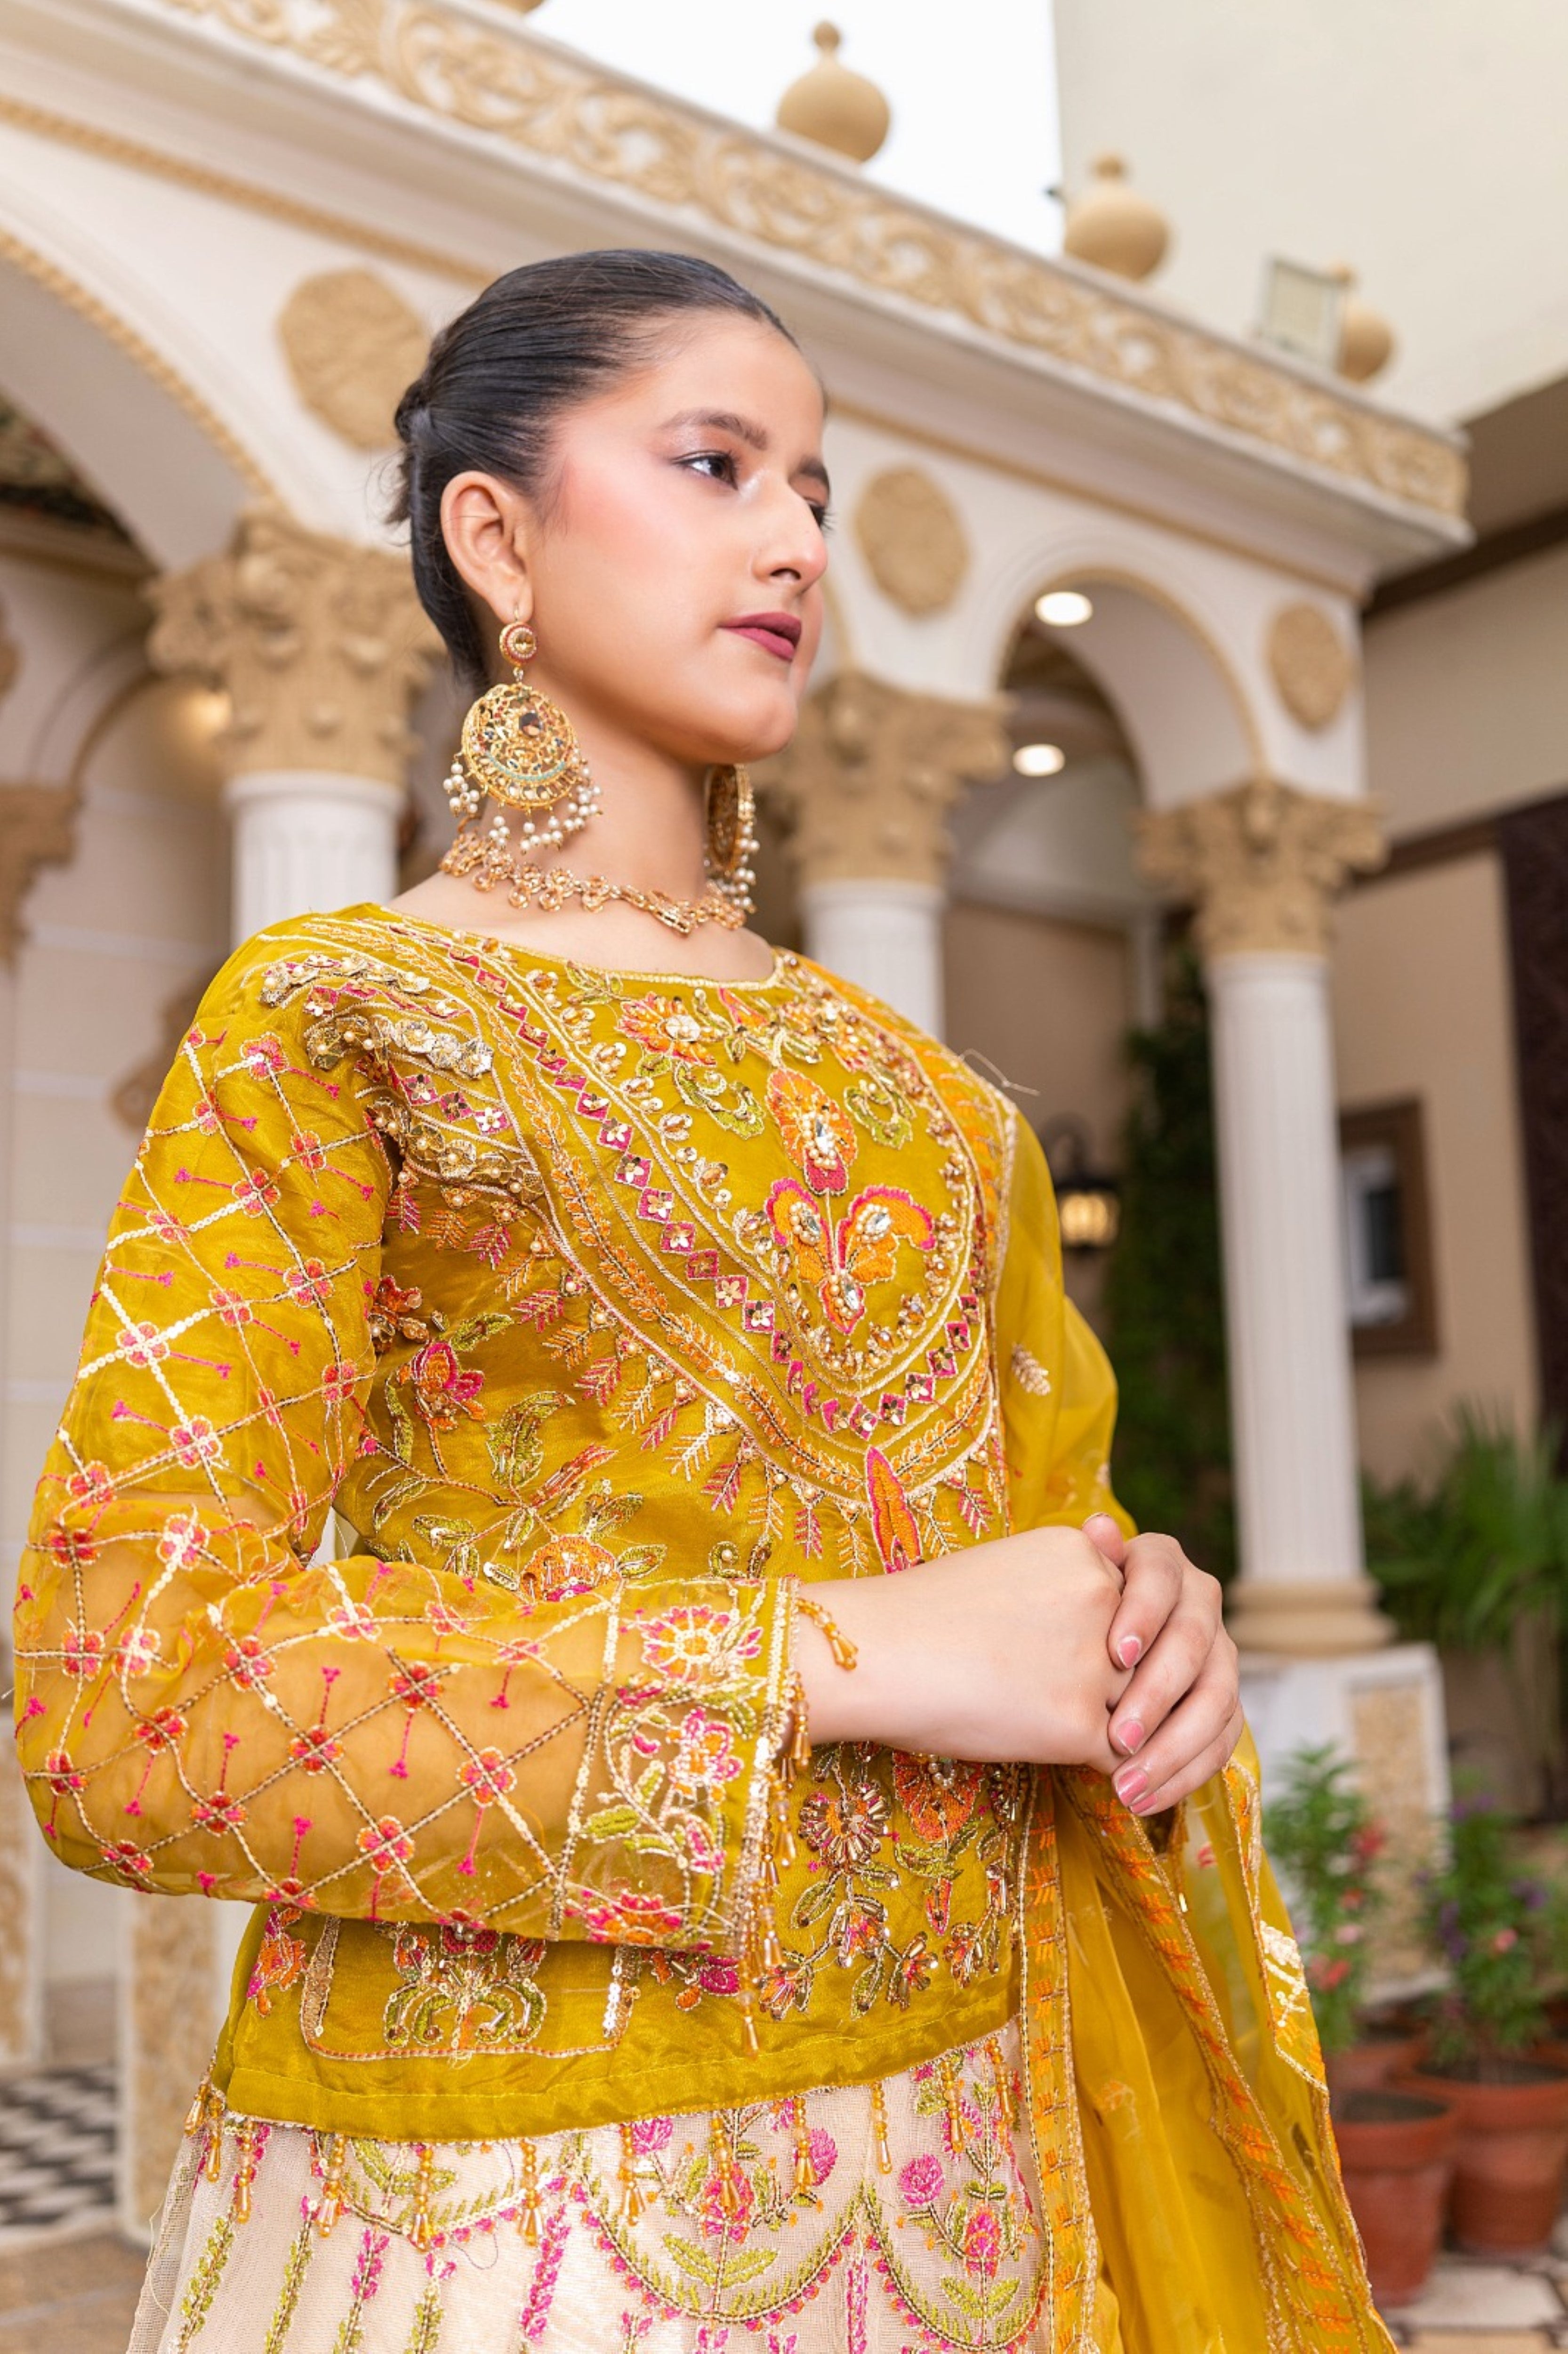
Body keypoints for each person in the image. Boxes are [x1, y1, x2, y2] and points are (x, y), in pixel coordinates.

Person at [16, 250, 1390, 2353]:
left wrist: (1149, 1625)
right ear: (497, 538)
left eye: (814, 491)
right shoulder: (342, 1015)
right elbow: (127, 1700)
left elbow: (1030, 1545)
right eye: (715, 464)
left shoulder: (934, 1103)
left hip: (978, 2172)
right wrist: (840, 1656)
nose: (797, 541)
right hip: (510, 2215)